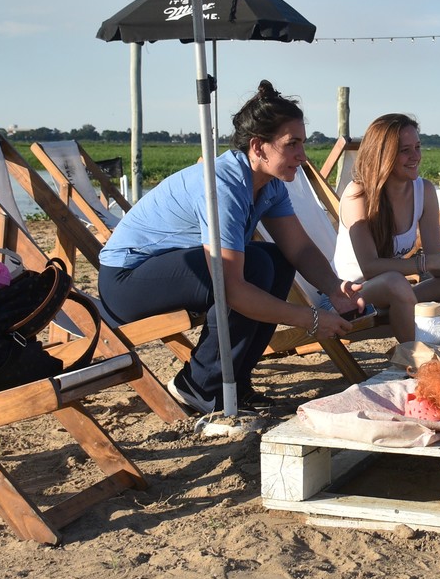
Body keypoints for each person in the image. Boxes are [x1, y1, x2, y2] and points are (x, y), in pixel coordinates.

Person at [98, 80, 363, 415]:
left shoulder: (270, 183)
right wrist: (310, 319)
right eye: (292, 144)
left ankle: (235, 382)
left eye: (303, 143)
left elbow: (300, 250)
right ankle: (198, 384)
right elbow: (233, 290)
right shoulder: (224, 186)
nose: (302, 155)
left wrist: (335, 289)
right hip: (127, 282)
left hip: (177, 271)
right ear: (258, 146)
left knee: (276, 260)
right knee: (253, 268)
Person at [332, 113, 440, 343]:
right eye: (405, 150)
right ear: (382, 156)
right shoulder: (358, 195)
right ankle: (416, 359)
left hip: (396, 292)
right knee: (396, 281)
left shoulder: (423, 191)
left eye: (417, 147)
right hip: (350, 296)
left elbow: (437, 266)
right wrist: (428, 262)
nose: (416, 156)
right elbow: (370, 268)